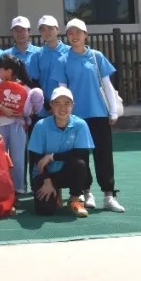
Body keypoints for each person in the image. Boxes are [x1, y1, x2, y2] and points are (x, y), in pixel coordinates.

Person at [63, 18, 124, 213]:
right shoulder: (63, 59)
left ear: (86, 35)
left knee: (103, 155)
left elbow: (107, 85)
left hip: (99, 114)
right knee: (81, 156)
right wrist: (65, 113)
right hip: (76, 117)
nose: (74, 36)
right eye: (70, 33)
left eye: (78, 32)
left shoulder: (96, 57)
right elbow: (63, 89)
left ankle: (109, 195)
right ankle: (87, 193)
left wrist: (112, 111)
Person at [28, 87, 96, 218]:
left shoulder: (80, 125)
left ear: (73, 105)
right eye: (57, 103)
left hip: (66, 172)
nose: (62, 108)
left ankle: (75, 200)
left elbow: (81, 153)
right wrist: (47, 181)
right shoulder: (41, 125)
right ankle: (55, 195)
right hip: (44, 174)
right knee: (45, 211)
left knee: (79, 164)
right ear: (51, 105)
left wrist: (52, 156)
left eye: (67, 103)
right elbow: (36, 157)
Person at [0, 54, 44, 195]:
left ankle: (18, 188)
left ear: (9, 71)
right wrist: (3, 108)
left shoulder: (24, 87)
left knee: (18, 158)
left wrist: (22, 114)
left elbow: (30, 109)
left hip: (18, 126)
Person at [34, 15, 69, 116]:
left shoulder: (69, 52)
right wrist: (46, 105)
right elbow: (34, 81)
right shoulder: (37, 54)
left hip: (67, 106)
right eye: (43, 29)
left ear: (57, 30)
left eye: (50, 28)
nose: (47, 32)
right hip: (44, 108)